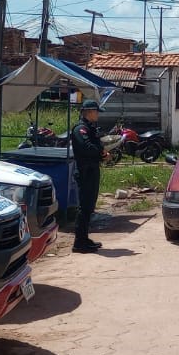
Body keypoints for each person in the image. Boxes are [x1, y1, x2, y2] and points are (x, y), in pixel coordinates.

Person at [71, 99, 109, 253]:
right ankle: (79, 242)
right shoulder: (80, 129)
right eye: (97, 111)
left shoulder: (90, 128)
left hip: (92, 170)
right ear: (90, 112)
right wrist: (101, 152)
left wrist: (102, 156)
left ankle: (84, 238)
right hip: (85, 172)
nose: (98, 114)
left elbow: (95, 148)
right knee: (84, 207)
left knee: (89, 207)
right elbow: (86, 148)